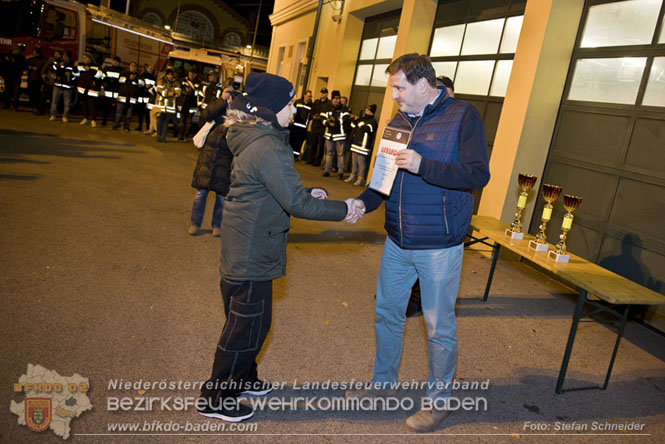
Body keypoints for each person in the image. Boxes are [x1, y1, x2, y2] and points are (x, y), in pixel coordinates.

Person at [344, 54, 490, 433]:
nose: (393, 95)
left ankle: (438, 404)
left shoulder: (462, 115)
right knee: (386, 313)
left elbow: (477, 175)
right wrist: (364, 202)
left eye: (398, 87)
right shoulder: (398, 121)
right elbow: (383, 177)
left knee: (438, 325)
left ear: (423, 85)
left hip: (439, 244)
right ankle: (382, 386)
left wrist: (424, 165)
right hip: (397, 240)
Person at [197, 72, 355, 423]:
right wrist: (345, 209)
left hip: (246, 243)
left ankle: (245, 379)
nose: (294, 109)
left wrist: (303, 193)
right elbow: (298, 205)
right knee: (245, 328)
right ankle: (216, 397)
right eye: (289, 103)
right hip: (253, 249)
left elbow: (274, 189)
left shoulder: (256, 137)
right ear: (270, 108)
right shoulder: (267, 145)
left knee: (249, 322)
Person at [188, 81, 236, 237]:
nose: (229, 95)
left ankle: (217, 225)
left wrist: (234, 104)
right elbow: (206, 115)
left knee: (221, 197)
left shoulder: (236, 112)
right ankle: (195, 223)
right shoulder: (216, 106)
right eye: (227, 92)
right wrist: (222, 101)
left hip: (225, 159)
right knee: (201, 193)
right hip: (208, 156)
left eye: (232, 93)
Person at [345, 104, 377, 186]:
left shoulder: (373, 122)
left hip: (363, 146)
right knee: (354, 163)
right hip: (355, 144)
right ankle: (352, 177)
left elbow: (366, 129)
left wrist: (359, 121)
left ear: (371, 112)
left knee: (361, 164)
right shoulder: (362, 119)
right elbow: (354, 127)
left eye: (367, 110)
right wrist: (354, 120)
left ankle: (361, 179)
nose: (366, 111)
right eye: (366, 109)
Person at [322, 90, 350, 179]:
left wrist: (335, 121)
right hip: (329, 134)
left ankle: (340, 172)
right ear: (332, 99)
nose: (337, 101)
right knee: (329, 153)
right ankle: (327, 171)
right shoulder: (328, 108)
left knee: (340, 154)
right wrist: (327, 123)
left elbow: (346, 120)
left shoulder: (344, 109)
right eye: (335, 99)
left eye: (338, 99)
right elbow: (322, 118)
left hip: (340, 135)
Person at [75, 52, 104, 127]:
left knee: (92, 106)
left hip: (92, 89)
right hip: (82, 88)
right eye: (83, 57)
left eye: (86, 57)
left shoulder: (96, 66)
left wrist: (90, 70)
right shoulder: (81, 65)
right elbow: (76, 75)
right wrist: (75, 67)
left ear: (90, 58)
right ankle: (85, 118)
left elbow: (100, 75)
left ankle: (93, 120)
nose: (84, 59)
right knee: (84, 104)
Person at [155, 69, 181, 143]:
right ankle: (158, 136)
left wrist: (173, 94)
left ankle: (163, 137)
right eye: (169, 74)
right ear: (166, 75)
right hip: (162, 104)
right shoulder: (162, 81)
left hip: (170, 105)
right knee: (159, 120)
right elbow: (159, 90)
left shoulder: (176, 83)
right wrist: (168, 93)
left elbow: (178, 92)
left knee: (166, 121)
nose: (170, 76)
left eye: (171, 75)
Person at [113, 62, 141, 131]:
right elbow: (120, 80)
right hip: (122, 97)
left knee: (129, 114)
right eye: (132, 66)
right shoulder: (124, 73)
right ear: (129, 66)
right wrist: (129, 79)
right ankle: (116, 125)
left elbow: (142, 83)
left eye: (135, 66)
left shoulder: (138, 75)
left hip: (132, 98)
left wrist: (135, 80)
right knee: (119, 112)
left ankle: (126, 127)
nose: (133, 67)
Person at [307, 87, 330, 166]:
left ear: (326, 94)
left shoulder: (328, 103)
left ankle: (317, 161)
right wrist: (313, 116)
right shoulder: (316, 102)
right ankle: (311, 159)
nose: (322, 94)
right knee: (313, 143)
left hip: (322, 126)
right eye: (321, 92)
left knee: (320, 145)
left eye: (324, 93)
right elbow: (312, 111)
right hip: (315, 125)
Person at [49, 51, 74, 122]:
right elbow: (53, 69)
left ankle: (65, 116)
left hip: (67, 86)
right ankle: (53, 115)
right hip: (58, 85)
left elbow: (75, 75)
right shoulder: (58, 62)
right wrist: (58, 65)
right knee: (54, 101)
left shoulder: (72, 65)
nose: (64, 57)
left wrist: (70, 76)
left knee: (67, 103)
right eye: (63, 56)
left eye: (66, 56)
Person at [288, 89, 312, 159]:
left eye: (310, 96)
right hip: (295, 126)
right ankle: (289, 154)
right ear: (304, 95)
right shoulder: (298, 102)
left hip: (303, 128)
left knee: (299, 143)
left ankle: (295, 156)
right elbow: (292, 111)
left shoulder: (311, 105)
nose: (309, 98)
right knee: (292, 141)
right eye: (308, 96)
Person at [177, 68, 200, 141]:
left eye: (193, 74)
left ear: (196, 74)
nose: (191, 75)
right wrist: (184, 91)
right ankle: (180, 134)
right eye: (190, 73)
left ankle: (186, 135)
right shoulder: (183, 80)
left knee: (188, 122)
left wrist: (192, 91)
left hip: (192, 104)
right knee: (181, 121)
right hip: (183, 103)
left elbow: (198, 92)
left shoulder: (198, 82)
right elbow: (179, 88)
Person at [101, 56, 122, 126]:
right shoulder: (107, 69)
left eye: (117, 62)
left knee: (116, 109)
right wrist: (103, 86)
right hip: (108, 91)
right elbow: (102, 77)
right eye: (114, 61)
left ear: (119, 63)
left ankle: (115, 122)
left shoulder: (121, 71)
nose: (115, 62)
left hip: (116, 92)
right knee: (106, 107)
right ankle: (104, 121)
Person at [137, 63, 156, 131]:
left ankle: (148, 127)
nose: (151, 70)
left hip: (149, 97)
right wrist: (145, 86)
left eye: (151, 69)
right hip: (141, 96)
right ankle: (140, 126)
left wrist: (149, 87)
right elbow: (139, 84)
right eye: (149, 68)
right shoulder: (142, 75)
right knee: (140, 113)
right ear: (146, 68)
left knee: (148, 114)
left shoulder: (153, 77)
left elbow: (154, 87)